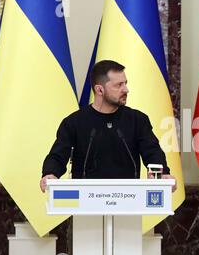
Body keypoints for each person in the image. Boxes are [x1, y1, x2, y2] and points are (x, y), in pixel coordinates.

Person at [40, 60, 176, 192]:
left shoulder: (137, 120)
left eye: (125, 83)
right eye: (119, 85)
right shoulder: (74, 122)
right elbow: (57, 156)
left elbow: (152, 152)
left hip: (129, 199)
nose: (126, 89)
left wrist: (163, 173)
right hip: (86, 202)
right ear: (99, 90)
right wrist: (50, 174)